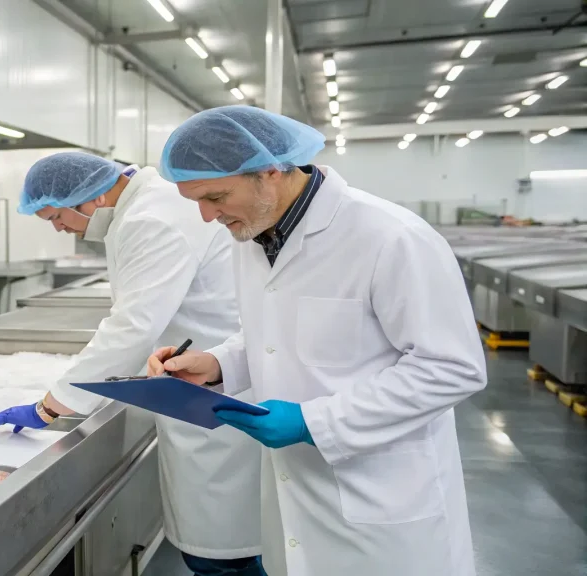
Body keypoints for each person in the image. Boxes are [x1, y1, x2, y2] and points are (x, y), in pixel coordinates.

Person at [146, 105, 487, 576]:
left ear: (269, 172)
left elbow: (452, 368)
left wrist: (315, 422)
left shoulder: (390, 237)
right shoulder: (252, 236)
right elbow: (273, 334)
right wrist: (219, 364)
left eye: (216, 197)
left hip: (381, 498)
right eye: (196, 202)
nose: (207, 217)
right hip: (296, 491)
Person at [0, 151, 265, 575]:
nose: (61, 228)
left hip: (215, 389)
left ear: (90, 199)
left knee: (223, 551)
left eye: (56, 217)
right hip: (197, 376)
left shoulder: (150, 218)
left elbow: (133, 325)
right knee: (221, 543)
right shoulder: (146, 204)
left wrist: (51, 405)